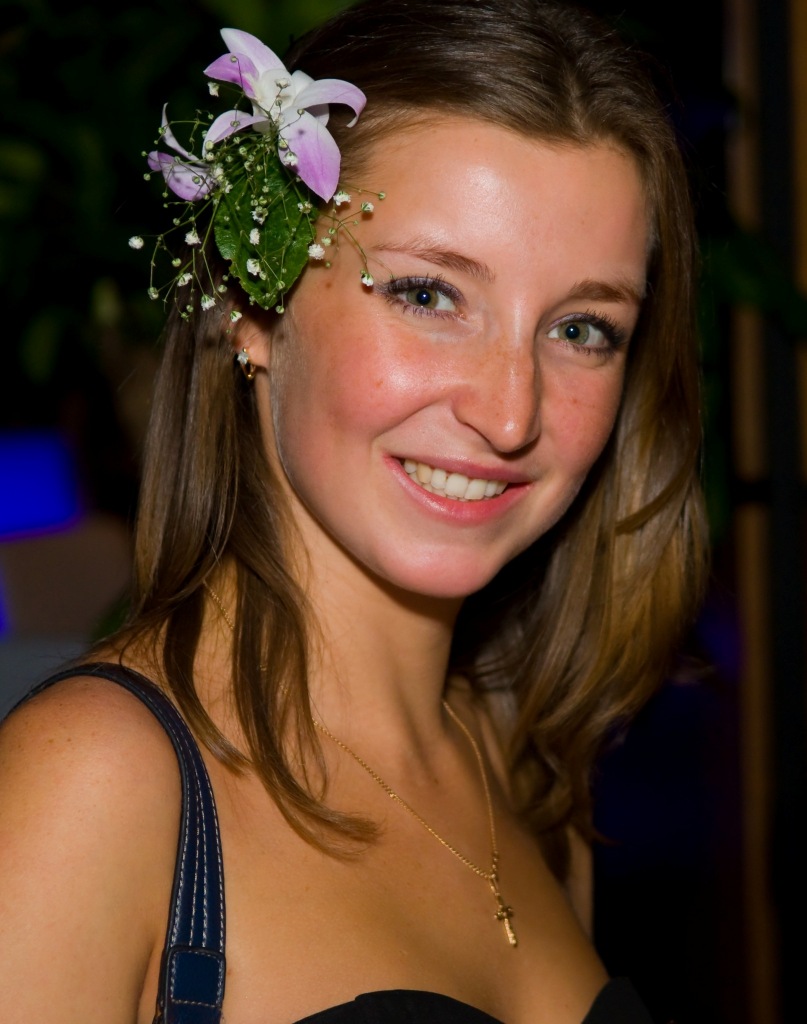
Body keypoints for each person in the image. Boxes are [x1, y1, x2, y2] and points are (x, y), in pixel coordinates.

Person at [0, 1, 707, 1021]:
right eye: (428, 295)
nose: (511, 413)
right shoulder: (97, 785)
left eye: (582, 328)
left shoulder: (527, 777)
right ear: (255, 308)